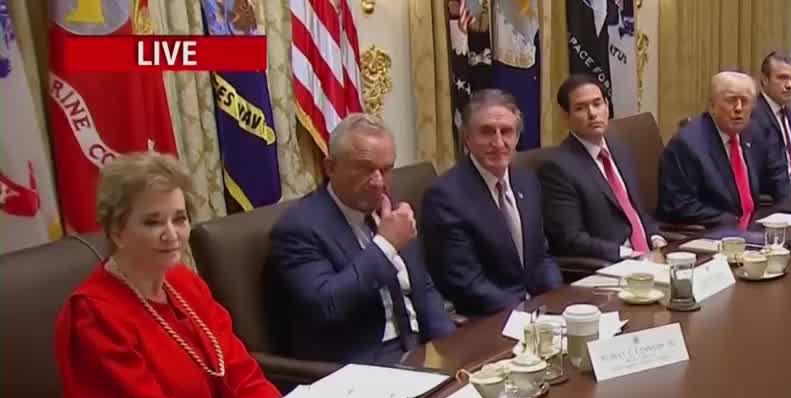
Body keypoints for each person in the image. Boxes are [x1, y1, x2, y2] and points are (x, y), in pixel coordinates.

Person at [55, 152, 282, 398]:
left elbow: (240, 373)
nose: (171, 234)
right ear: (117, 231)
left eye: (179, 219)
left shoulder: (183, 283)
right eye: (152, 222)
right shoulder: (94, 313)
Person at [270, 114, 455, 366]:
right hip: (364, 361)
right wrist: (385, 246)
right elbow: (327, 305)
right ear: (330, 167)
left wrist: (452, 349)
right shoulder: (298, 229)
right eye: (365, 169)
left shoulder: (391, 208)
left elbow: (424, 288)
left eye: (386, 169)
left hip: (420, 347)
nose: (378, 182)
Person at [422, 89, 563, 317]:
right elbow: (466, 283)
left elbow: (541, 257)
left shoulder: (526, 180)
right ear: (467, 138)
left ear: (517, 137)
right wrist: (526, 314)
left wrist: (557, 298)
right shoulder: (445, 197)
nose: (498, 143)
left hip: (536, 314)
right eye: (486, 132)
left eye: (506, 132)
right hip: (486, 318)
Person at [538, 75, 660, 262]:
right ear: (566, 116)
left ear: (607, 105)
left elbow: (635, 211)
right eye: (580, 108)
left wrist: (656, 237)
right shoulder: (558, 168)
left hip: (650, 257)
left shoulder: (620, 149)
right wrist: (628, 254)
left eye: (597, 104)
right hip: (612, 264)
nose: (593, 113)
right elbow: (570, 239)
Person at [657, 71, 790, 229]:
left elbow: (777, 176)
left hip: (753, 226)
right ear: (712, 106)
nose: (738, 108)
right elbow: (678, 205)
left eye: (745, 101)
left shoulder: (756, 133)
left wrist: (787, 214)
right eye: (731, 100)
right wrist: (732, 222)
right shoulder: (687, 144)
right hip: (714, 231)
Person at [750, 51, 791, 194]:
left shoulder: (789, 111)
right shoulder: (754, 116)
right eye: (782, 78)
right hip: (773, 200)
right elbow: (765, 173)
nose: (789, 85)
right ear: (764, 79)